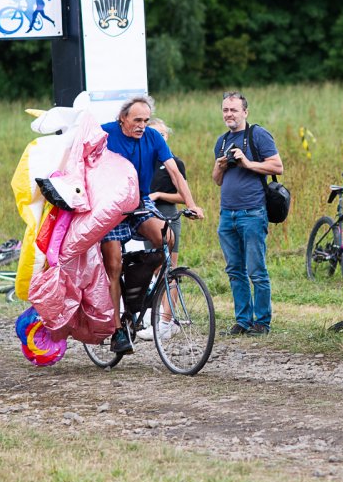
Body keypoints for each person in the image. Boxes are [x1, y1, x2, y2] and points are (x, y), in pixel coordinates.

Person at [102, 97, 204, 353]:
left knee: (166, 237)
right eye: (137, 120)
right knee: (113, 265)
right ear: (122, 118)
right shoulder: (105, 133)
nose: (142, 125)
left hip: (139, 200)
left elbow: (175, 173)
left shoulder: (153, 137)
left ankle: (140, 284)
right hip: (111, 204)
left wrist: (191, 204)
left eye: (146, 120)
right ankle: (117, 331)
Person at [212, 91, 282, 336]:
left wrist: (247, 162)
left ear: (245, 112)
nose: (229, 114)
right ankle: (242, 321)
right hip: (227, 214)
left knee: (256, 270)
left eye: (233, 110)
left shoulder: (257, 135)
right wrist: (220, 165)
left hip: (252, 212)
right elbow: (217, 180)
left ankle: (262, 322)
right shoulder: (221, 141)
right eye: (225, 110)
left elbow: (277, 166)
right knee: (234, 270)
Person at [146, 117, 189, 256]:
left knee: (170, 265)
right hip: (147, 217)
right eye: (154, 135)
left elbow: (183, 197)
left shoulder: (175, 162)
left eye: (162, 134)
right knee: (152, 263)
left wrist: (159, 195)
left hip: (168, 216)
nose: (159, 139)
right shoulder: (142, 163)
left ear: (167, 136)